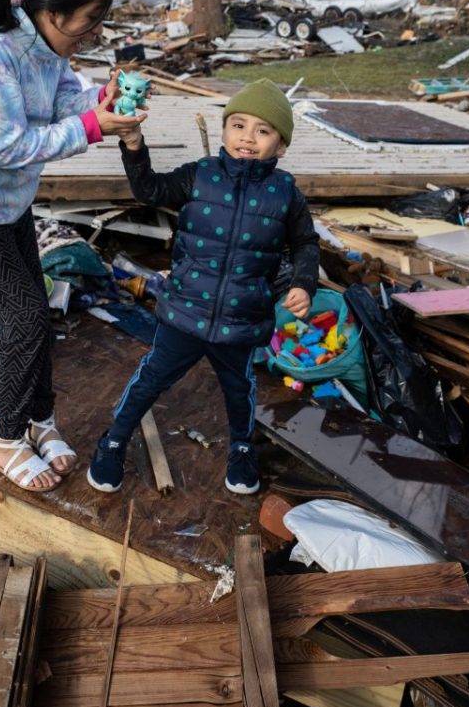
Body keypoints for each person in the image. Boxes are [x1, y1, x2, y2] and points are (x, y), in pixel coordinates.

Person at [0, 0, 146, 492]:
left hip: (11, 205)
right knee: (24, 318)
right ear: (52, 13)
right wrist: (95, 127)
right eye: (89, 21)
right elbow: (4, 145)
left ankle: (39, 421)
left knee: (37, 312)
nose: (92, 32)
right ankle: (3, 441)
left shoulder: (50, 50)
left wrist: (107, 101)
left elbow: (69, 103)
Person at [87, 78, 318, 496]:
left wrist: (304, 282)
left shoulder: (286, 194)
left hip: (242, 319)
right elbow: (149, 189)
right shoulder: (200, 175)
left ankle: (243, 448)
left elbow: (305, 242)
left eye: (263, 131)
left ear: (281, 146)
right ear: (225, 130)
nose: (248, 137)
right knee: (150, 380)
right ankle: (114, 440)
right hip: (184, 312)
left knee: (240, 389)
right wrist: (134, 144)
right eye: (238, 125)